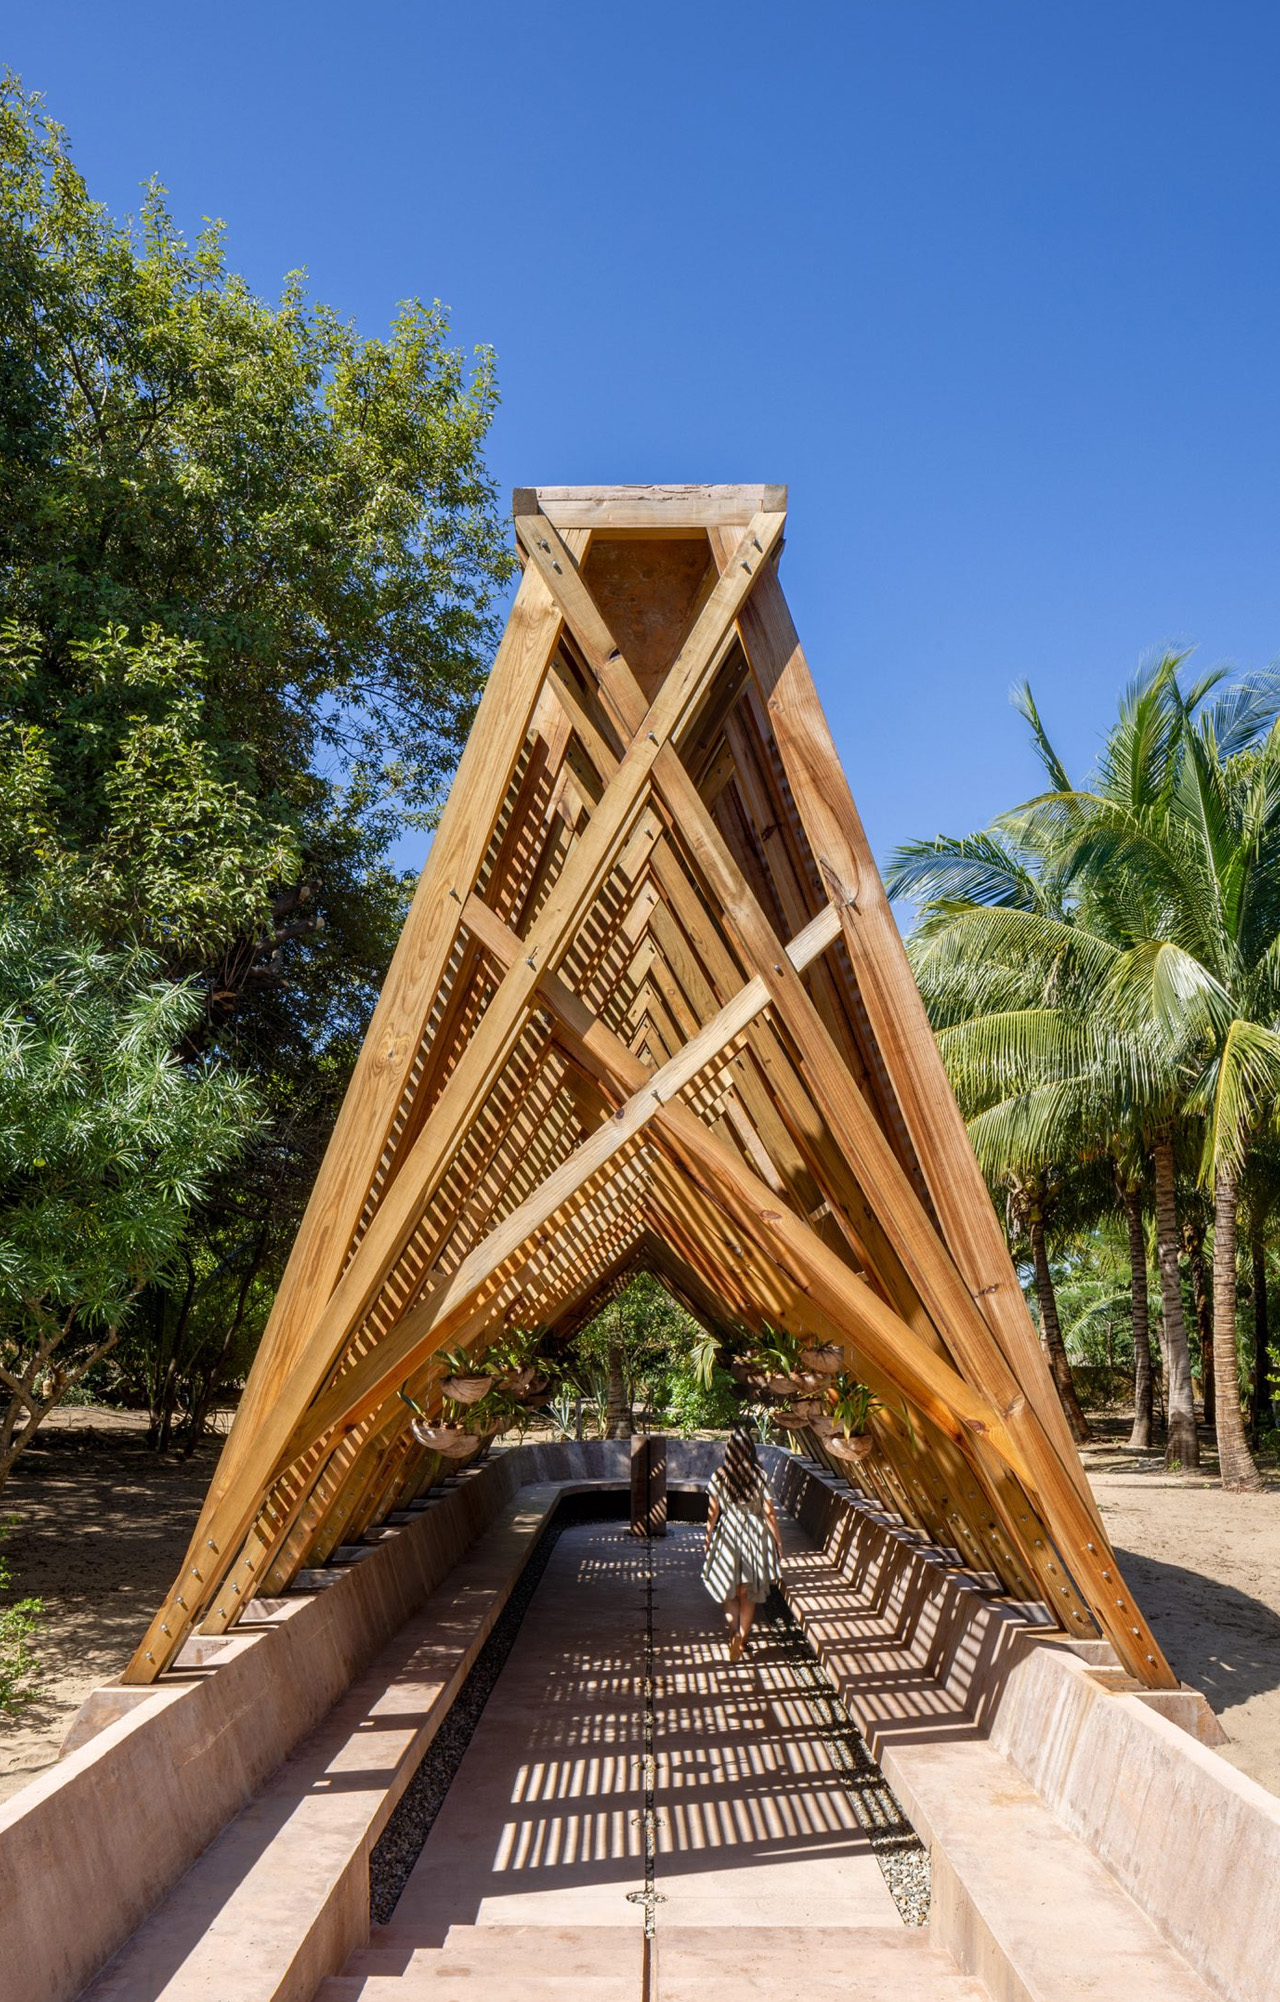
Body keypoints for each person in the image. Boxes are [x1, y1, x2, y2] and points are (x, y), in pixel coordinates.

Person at [701, 1425, 784, 1660]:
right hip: (755, 1535)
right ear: (750, 1449)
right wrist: (777, 1541)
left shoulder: (719, 1475)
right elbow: (769, 1512)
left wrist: (708, 1537)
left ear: (729, 1450)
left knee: (729, 1592)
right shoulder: (759, 1475)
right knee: (748, 1593)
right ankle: (743, 1640)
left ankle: (734, 1631)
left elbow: (713, 1512)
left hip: (728, 1532)